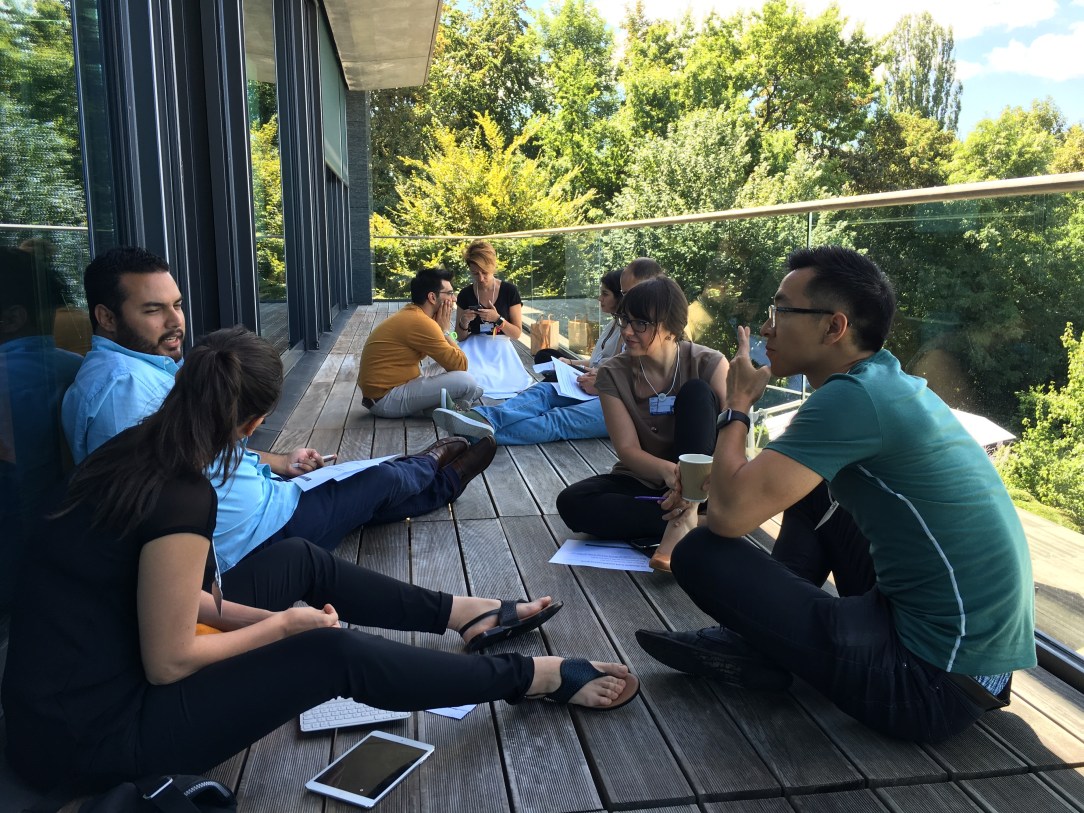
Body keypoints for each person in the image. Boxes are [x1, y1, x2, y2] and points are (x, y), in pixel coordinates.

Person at [1, 326, 640, 793]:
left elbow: (171, 601)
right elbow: (169, 661)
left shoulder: (136, 450)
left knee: (298, 560)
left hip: (75, 695)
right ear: (253, 423)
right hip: (95, 738)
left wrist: (274, 621)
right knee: (328, 654)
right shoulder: (180, 493)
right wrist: (284, 626)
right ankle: (530, 678)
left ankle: (463, 614)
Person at [636, 246, 1035, 743]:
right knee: (814, 492)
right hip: (974, 662)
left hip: (931, 683)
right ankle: (761, 645)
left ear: (834, 327)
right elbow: (761, 481)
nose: (767, 328)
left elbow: (729, 516)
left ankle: (762, 646)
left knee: (699, 551)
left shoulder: (852, 399)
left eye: (781, 310)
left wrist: (737, 404)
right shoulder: (882, 381)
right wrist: (719, 478)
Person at [61, 247, 496, 575]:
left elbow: (198, 453)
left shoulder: (144, 371)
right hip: (257, 536)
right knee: (378, 478)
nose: (176, 321)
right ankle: (431, 464)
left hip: (264, 504)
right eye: (153, 310)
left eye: (176, 305)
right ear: (107, 317)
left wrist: (280, 463)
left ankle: (443, 480)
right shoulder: (125, 392)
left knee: (360, 494)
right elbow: (152, 513)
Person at [556, 277, 728, 546]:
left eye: (641, 324)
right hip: (644, 479)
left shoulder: (710, 363)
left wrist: (691, 482)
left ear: (672, 328)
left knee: (696, 391)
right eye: (625, 320)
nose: (627, 331)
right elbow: (627, 450)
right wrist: (671, 473)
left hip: (704, 486)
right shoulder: (612, 373)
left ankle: (689, 509)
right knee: (572, 502)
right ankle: (697, 522)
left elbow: (730, 436)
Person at [431, 269, 624, 444]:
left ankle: (473, 433)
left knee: (556, 418)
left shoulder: (630, 332)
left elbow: (628, 377)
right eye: (475, 273)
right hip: (599, 381)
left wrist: (497, 319)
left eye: (605, 294)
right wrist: (572, 362)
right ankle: (478, 418)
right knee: (542, 390)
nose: (599, 298)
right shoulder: (617, 325)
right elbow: (602, 363)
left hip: (618, 398)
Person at [357, 267, 482, 416]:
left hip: (402, 381)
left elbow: (455, 363)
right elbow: (461, 365)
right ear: (432, 297)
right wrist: (445, 332)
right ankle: (449, 407)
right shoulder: (421, 322)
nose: (454, 298)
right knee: (467, 381)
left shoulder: (414, 313)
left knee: (459, 375)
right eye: (449, 293)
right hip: (386, 398)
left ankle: (441, 405)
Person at [455, 240, 523, 341]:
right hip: (474, 346)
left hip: (501, 347)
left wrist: (497, 319)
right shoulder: (465, 294)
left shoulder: (509, 291)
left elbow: (517, 334)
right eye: (475, 273)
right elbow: (458, 337)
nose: (481, 278)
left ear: (493, 266)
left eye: (485, 272)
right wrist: (464, 322)